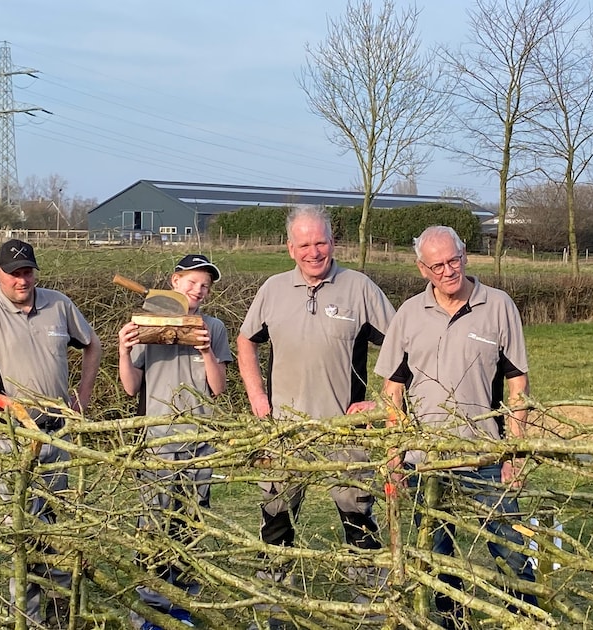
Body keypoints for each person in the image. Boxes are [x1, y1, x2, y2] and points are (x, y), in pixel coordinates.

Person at [374, 225, 537, 629]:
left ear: (465, 255)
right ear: (422, 269)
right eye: (438, 265)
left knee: (510, 548)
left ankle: (528, 617)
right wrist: (396, 454)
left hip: (483, 456)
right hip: (424, 462)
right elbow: (392, 390)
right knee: (438, 553)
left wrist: (513, 451)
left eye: (455, 260)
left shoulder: (498, 306)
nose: (449, 270)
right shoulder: (409, 314)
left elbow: (518, 381)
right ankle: (452, 621)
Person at [236, 206, 396, 608]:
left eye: (320, 242)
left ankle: (369, 602)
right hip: (284, 434)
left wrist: (381, 401)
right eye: (304, 244)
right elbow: (246, 341)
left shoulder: (359, 288)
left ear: (333, 242)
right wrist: (258, 397)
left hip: (344, 432)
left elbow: (402, 347)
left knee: (357, 517)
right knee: (276, 518)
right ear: (290, 248)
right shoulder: (272, 290)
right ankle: (272, 600)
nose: (314, 251)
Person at [0, 238, 102, 626]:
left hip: (58, 434)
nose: (22, 280)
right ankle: (25, 617)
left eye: (27, 271)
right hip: (11, 438)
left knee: (60, 526)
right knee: (22, 532)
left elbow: (92, 345)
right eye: (14, 273)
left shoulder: (58, 305)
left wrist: (84, 394)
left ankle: (62, 608)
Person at [118, 254, 232, 630]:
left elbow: (218, 389)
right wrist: (122, 349)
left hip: (200, 444)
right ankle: (149, 611)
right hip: (158, 443)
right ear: (174, 282)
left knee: (190, 525)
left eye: (205, 286)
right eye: (191, 282)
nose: (198, 290)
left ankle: (183, 603)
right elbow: (131, 386)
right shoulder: (148, 324)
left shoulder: (213, 327)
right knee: (153, 526)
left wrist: (205, 350)